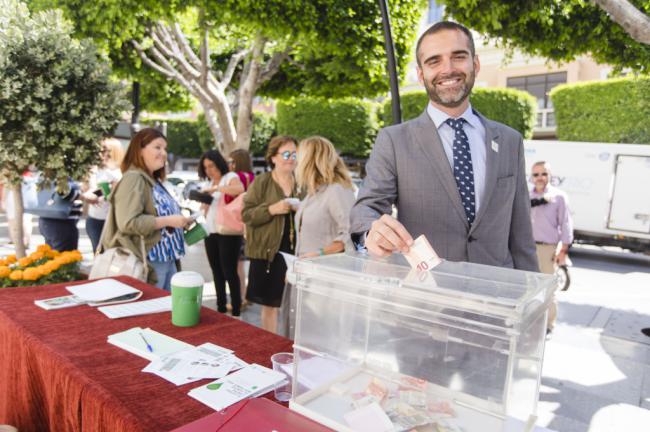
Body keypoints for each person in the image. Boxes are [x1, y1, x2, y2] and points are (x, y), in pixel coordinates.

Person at [350, 21, 538, 272]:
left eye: (458, 57)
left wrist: (536, 297)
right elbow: (367, 208)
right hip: (428, 298)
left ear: (476, 64)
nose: (448, 69)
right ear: (420, 74)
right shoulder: (394, 141)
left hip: (497, 298)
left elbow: (522, 233)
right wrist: (370, 234)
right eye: (434, 61)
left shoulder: (510, 141)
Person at [99, 128, 193, 289]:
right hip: (147, 263)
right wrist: (168, 220)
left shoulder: (152, 180)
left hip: (166, 260)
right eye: (157, 147)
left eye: (165, 148)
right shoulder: (134, 178)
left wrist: (179, 221)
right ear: (139, 150)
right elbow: (128, 223)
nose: (163, 153)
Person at [242, 136, 302, 333]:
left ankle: (290, 345)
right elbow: (247, 214)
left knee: (294, 304)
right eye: (286, 154)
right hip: (268, 253)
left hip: (296, 251)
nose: (291, 158)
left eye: (294, 154)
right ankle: (271, 345)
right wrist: (272, 209)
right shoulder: (262, 182)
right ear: (273, 157)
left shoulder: (302, 183)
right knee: (270, 305)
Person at [198, 149, 245, 316]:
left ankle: (237, 308)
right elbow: (206, 209)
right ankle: (221, 307)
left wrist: (217, 188)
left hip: (229, 232)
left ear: (219, 163)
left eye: (211, 165)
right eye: (205, 167)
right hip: (210, 232)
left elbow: (239, 189)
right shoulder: (208, 184)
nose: (209, 170)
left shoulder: (230, 178)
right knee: (216, 271)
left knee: (229, 271)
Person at [529, 161, 573, 333]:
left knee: (548, 290)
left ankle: (548, 325)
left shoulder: (559, 196)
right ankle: (531, 323)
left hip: (548, 249)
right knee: (528, 290)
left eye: (544, 173)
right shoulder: (527, 196)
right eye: (536, 174)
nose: (540, 177)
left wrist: (563, 250)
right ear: (531, 177)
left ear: (550, 175)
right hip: (526, 248)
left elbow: (566, 224)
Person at [295, 136, 356, 258]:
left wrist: (319, 253)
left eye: (298, 156)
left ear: (309, 161)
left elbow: (350, 233)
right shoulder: (313, 192)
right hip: (308, 269)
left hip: (327, 270)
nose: (296, 161)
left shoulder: (336, 190)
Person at [82, 138, 124, 252]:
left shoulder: (118, 173)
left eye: (105, 151)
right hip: (94, 219)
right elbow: (89, 189)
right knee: (98, 255)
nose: (102, 154)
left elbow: (109, 191)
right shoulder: (95, 169)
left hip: (111, 221)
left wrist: (94, 193)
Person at [227, 149, 255, 310]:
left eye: (232, 161)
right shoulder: (253, 177)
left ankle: (241, 298)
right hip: (250, 225)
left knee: (237, 266)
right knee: (244, 265)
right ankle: (248, 295)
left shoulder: (237, 178)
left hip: (237, 224)